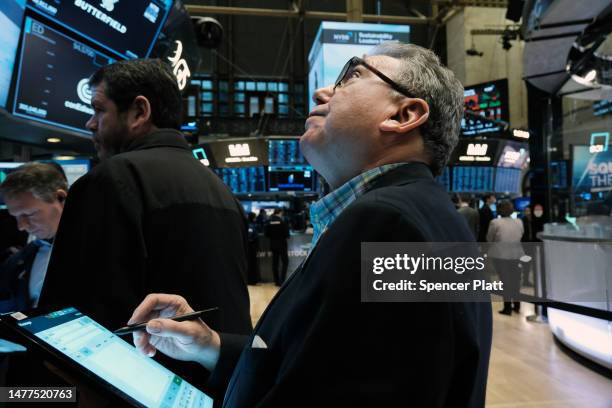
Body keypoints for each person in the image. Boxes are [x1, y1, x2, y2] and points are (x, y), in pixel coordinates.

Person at [129, 43, 492, 406]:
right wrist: (209, 345)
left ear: (403, 115)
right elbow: (323, 365)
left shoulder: (386, 223)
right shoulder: (432, 218)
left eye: (352, 76)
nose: (323, 92)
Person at [39, 59, 252, 341]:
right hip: (220, 376)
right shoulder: (222, 190)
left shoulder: (109, 180)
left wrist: (26, 387)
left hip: (137, 378)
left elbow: (70, 324)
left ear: (140, 111)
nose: (90, 123)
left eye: (99, 110)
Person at [0, 163, 68, 312]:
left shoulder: (103, 246)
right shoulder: (17, 261)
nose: (22, 226)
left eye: (29, 214)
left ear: (61, 198)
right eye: (16, 217)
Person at [487, 200, 524, 315]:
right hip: (517, 254)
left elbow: (489, 238)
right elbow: (521, 234)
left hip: (500, 255)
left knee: (505, 281)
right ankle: (517, 306)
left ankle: (507, 308)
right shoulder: (519, 222)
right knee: (516, 281)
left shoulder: (495, 222)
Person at [264, 208, 290, 286]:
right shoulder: (282, 221)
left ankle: (276, 281)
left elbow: (266, 234)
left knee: (275, 263)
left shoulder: (269, 222)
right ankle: (282, 280)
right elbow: (287, 234)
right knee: (285, 262)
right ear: (280, 213)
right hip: (282, 245)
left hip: (273, 245)